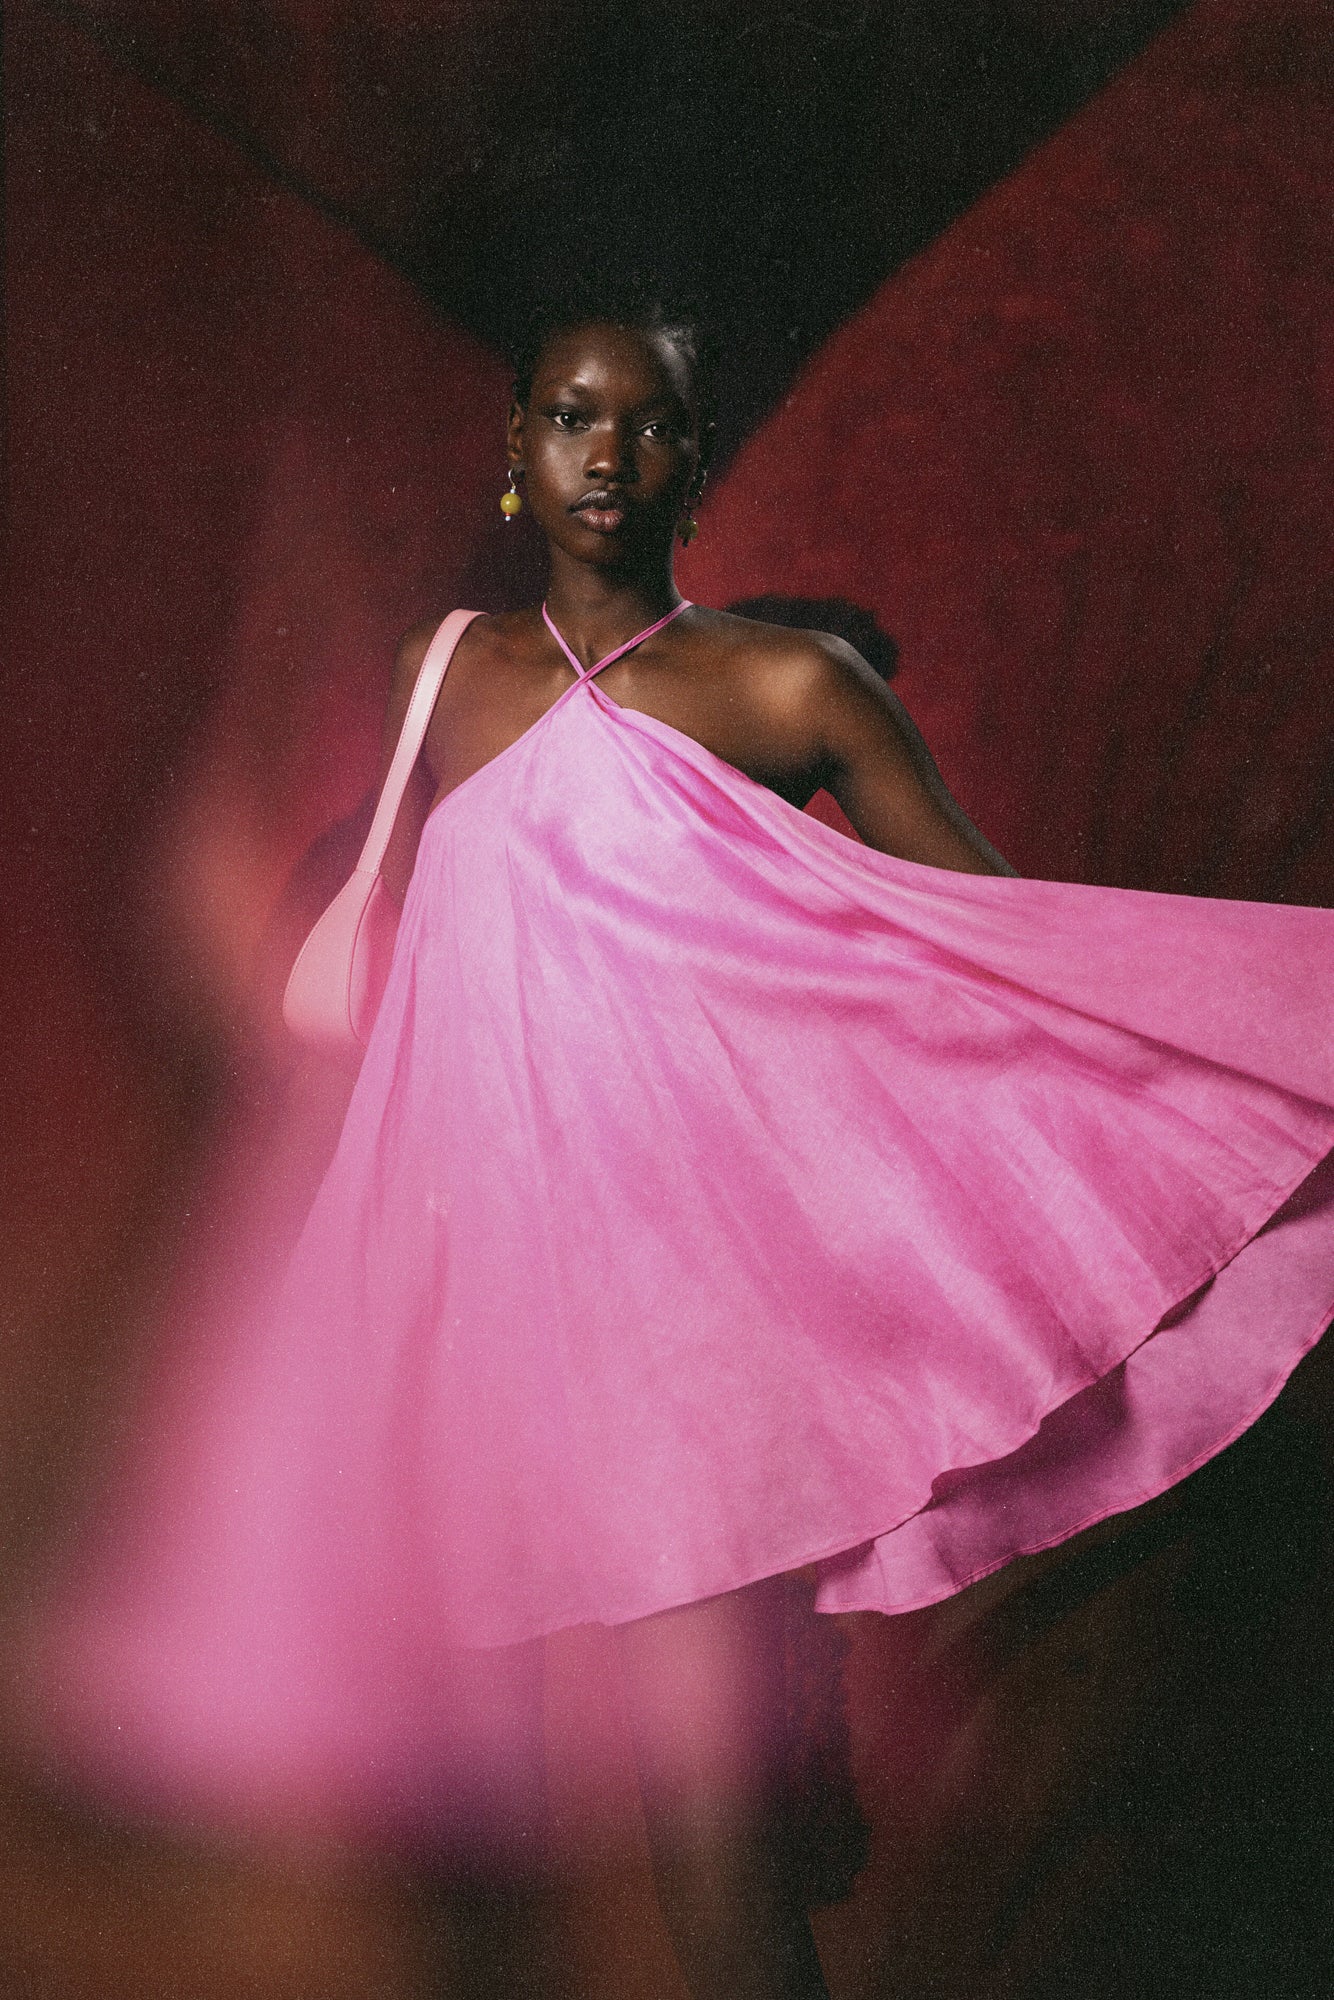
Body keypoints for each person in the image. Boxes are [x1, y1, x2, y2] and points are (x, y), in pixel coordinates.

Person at [19, 288, 1334, 2000]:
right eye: (572, 416)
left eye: (646, 424)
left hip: (697, 1333)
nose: (606, 453)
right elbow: (348, 958)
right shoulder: (444, 677)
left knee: (709, 1867)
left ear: (691, 465)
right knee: (451, 1826)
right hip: (481, 1304)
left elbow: (1002, 952)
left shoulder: (788, 685)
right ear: (519, 449)